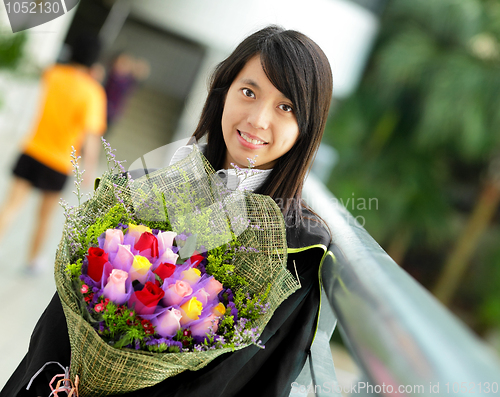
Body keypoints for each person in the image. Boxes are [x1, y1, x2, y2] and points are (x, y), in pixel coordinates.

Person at [0, 25, 333, 396]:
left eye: (285, 107)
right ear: (223, 93)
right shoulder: (143, 188)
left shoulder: (297, 251)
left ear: (307, 126)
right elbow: (62, 315)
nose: (258, 119)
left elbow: (249, 377)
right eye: (249, 92)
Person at [0, 35, 107, 273]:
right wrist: (89, 170)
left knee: (11, 206)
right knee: (44, 217)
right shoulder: (93, 92)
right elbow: (91, 138)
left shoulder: (54, 74)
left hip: (32, 149)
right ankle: (32, 261)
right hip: (59, 162)